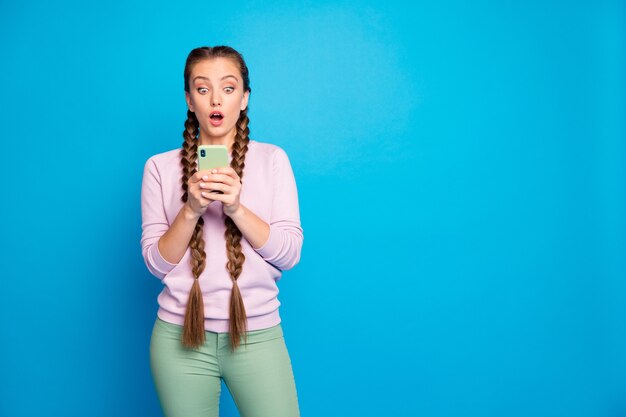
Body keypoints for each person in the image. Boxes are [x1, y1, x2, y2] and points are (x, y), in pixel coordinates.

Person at [140, 45, 303, 417]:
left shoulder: (272, 161)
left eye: (228, 88)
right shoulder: (160, 168)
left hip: (256, 336)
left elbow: (290, 254)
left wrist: (236, 208)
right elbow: (155, 263)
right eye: (202, 88)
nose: (216, 99)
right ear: (189, 99)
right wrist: (191, 209)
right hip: (179, 338)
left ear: (244, 98)